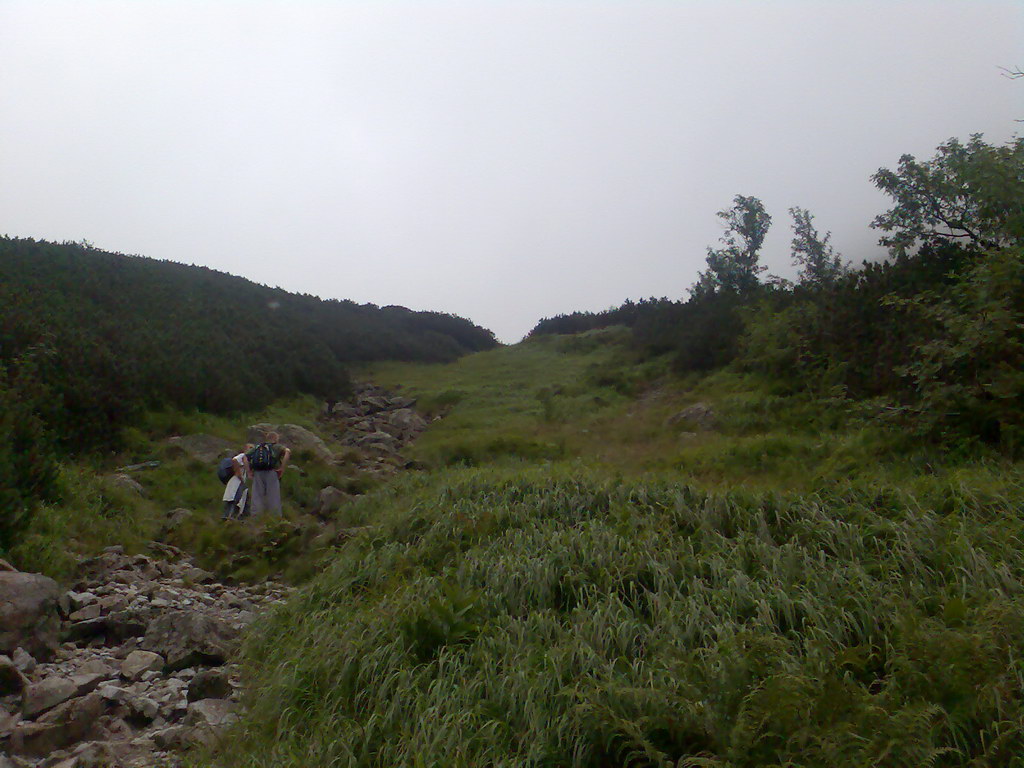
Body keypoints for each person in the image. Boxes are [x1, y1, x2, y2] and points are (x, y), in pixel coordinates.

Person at [247, 432, 291, 517]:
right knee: (273, 495)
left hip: (258, 473)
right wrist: (282, 468)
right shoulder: (277, 447)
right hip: (271, 472)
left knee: (257, 495)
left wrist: (249, 471)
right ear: (275, 438)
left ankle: (256, 517)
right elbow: (288, 452)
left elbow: (245, 457)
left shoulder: (258, 447)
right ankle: (275, 517)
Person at [221, 445, 252, 520]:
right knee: (234, 499)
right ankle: (228, 517)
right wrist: (238, 474)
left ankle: (235, 517)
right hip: (236, 481)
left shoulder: (248, 460)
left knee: (240, 500)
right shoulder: (243, 455)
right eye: (250, 448)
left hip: (239, 482)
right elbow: (234, 460)